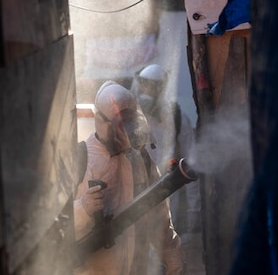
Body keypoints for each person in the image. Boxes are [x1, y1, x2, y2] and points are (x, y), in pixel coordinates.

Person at [73, 80, 185, 275]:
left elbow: (159, 218)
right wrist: (83, 208)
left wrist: (173, 260)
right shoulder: (81, 159)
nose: (128, 131)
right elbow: (54, 224)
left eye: (131, 122)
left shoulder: (141, 159)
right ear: (102, 123)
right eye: (121, 124)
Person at [131, 64, 200, 234]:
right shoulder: (129, 117)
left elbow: (191, 162)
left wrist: (193, 215)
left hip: (167, 192)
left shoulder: (176, 117)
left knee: (167, 238)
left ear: (162, 87)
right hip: (136, 191)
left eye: (154, 86)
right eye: (144, 84)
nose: (148, 90)